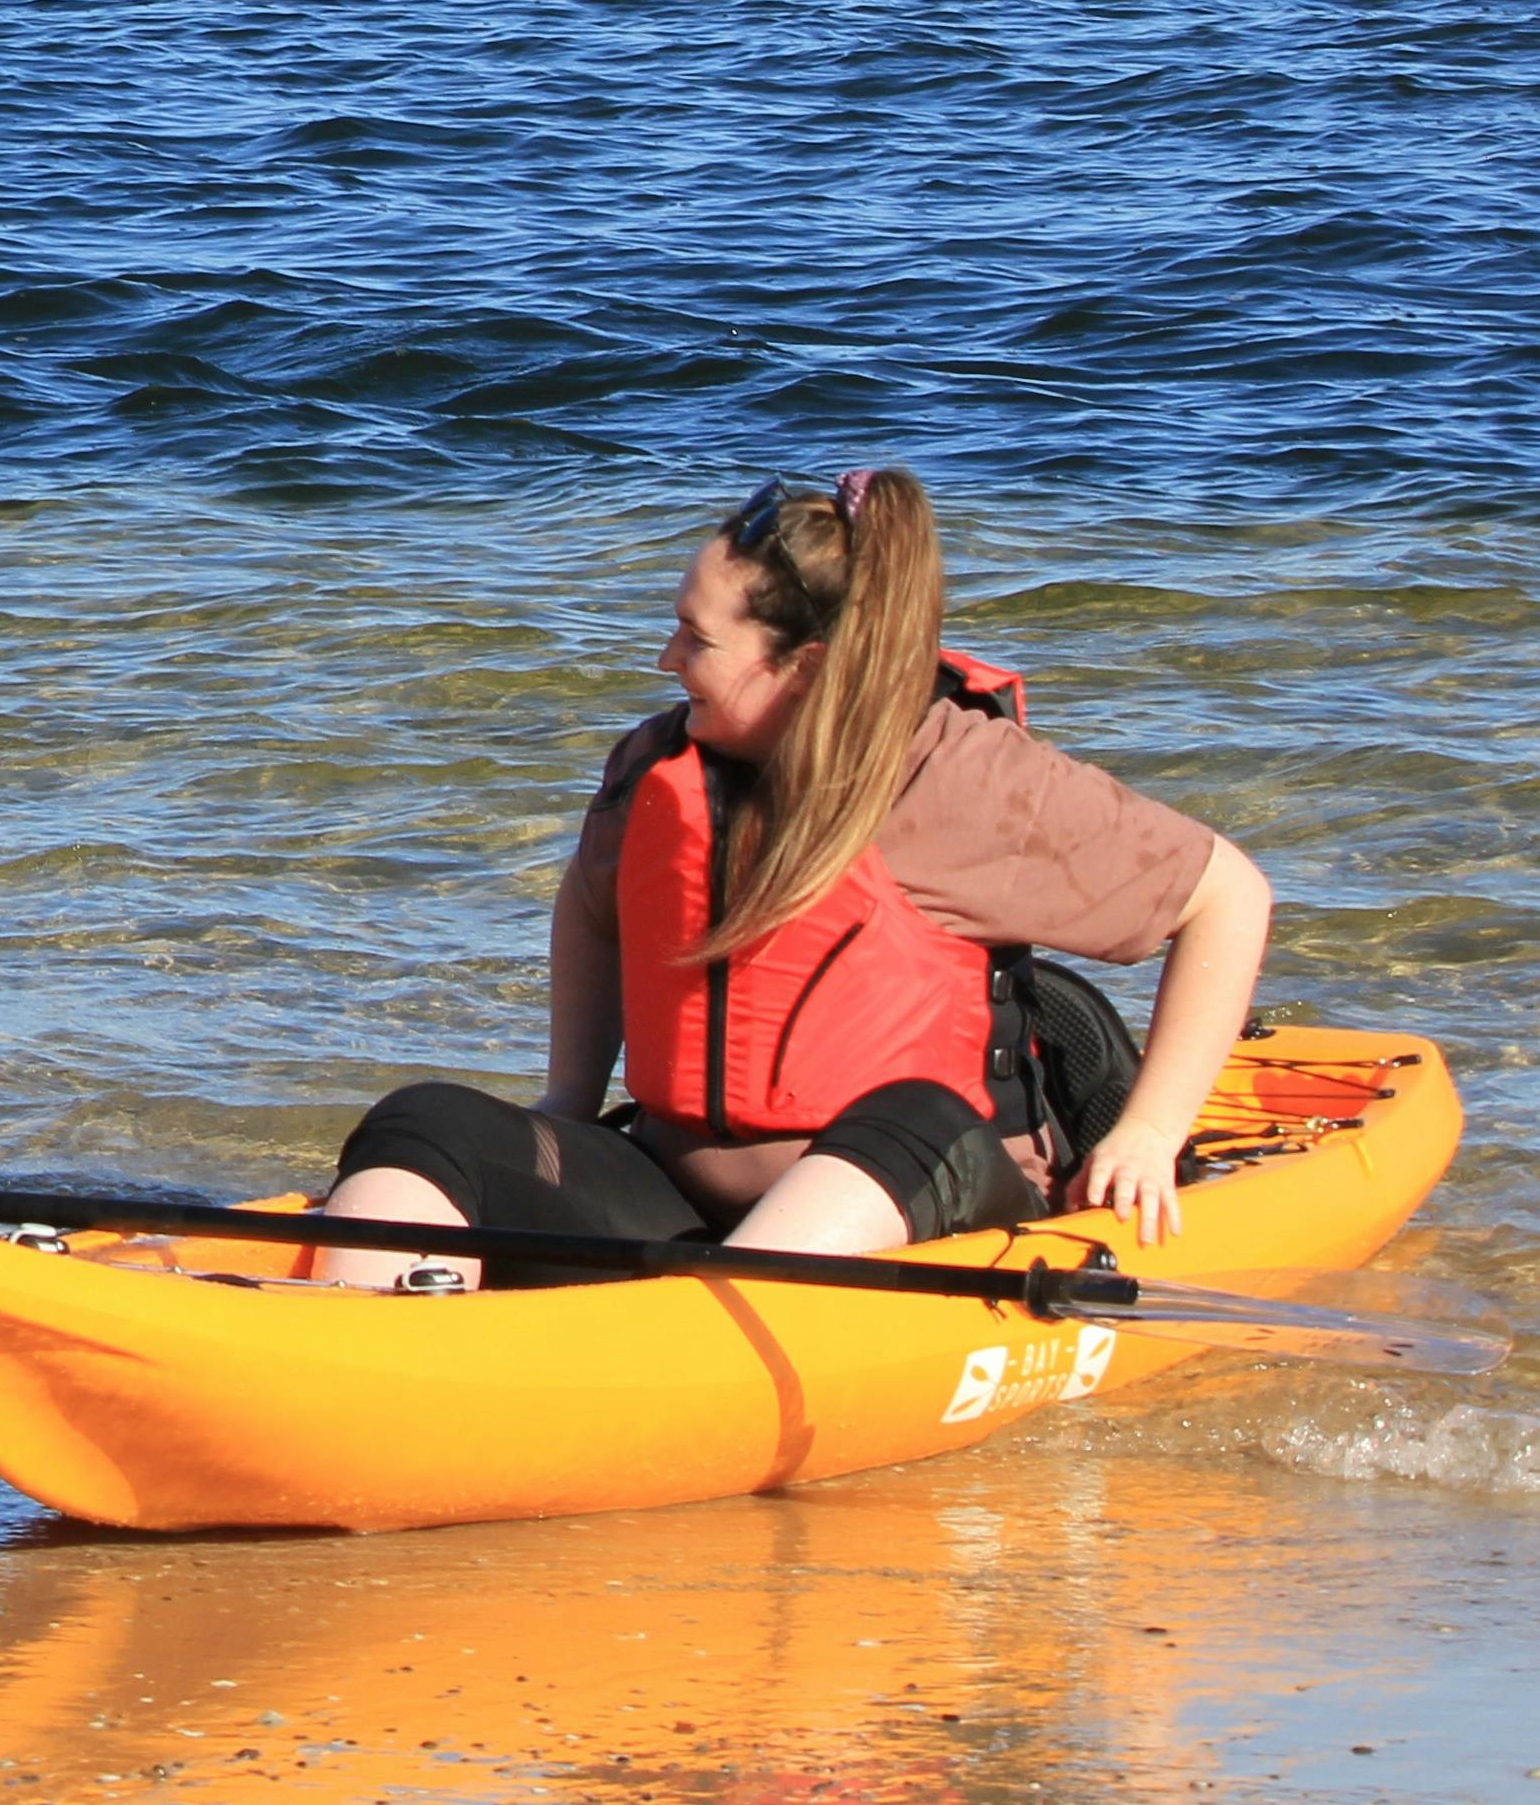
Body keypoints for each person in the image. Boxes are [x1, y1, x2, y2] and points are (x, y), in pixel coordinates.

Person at [306, 469, 1270, 1285]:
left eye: (698, 640)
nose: (666, 658)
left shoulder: (953, 776)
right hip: (678, 1191)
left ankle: (699, 1359)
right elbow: (593, 910)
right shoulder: (655, 764)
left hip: (925, 1197)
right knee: (424, 1120)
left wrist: (1148, 1132)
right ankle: (346, 1338)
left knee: (909, 1117)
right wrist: (567, 1095)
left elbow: (1228, 898)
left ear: (802, 669)